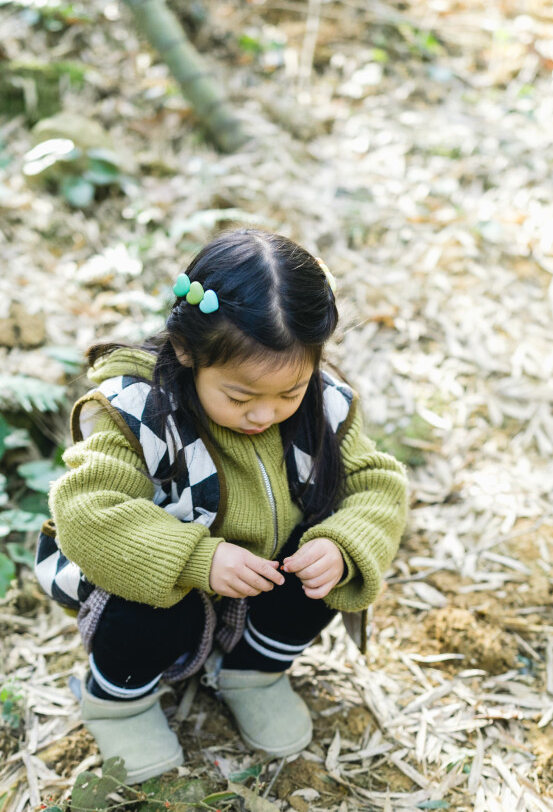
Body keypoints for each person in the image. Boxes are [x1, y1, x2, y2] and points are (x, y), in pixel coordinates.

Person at [37, 229, 409, 783]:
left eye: (290, 392)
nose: (265, 414)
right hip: (163, 591)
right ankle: (119, 701)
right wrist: (196, 558)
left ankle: (252, 671)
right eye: (240, 396)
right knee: (152, 607)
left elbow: (376, 484)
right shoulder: (139, 411)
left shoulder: (324, 405)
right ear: (188, 351)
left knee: (321, 570)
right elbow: (87, 508)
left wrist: (342, 543)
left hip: (259, 587)